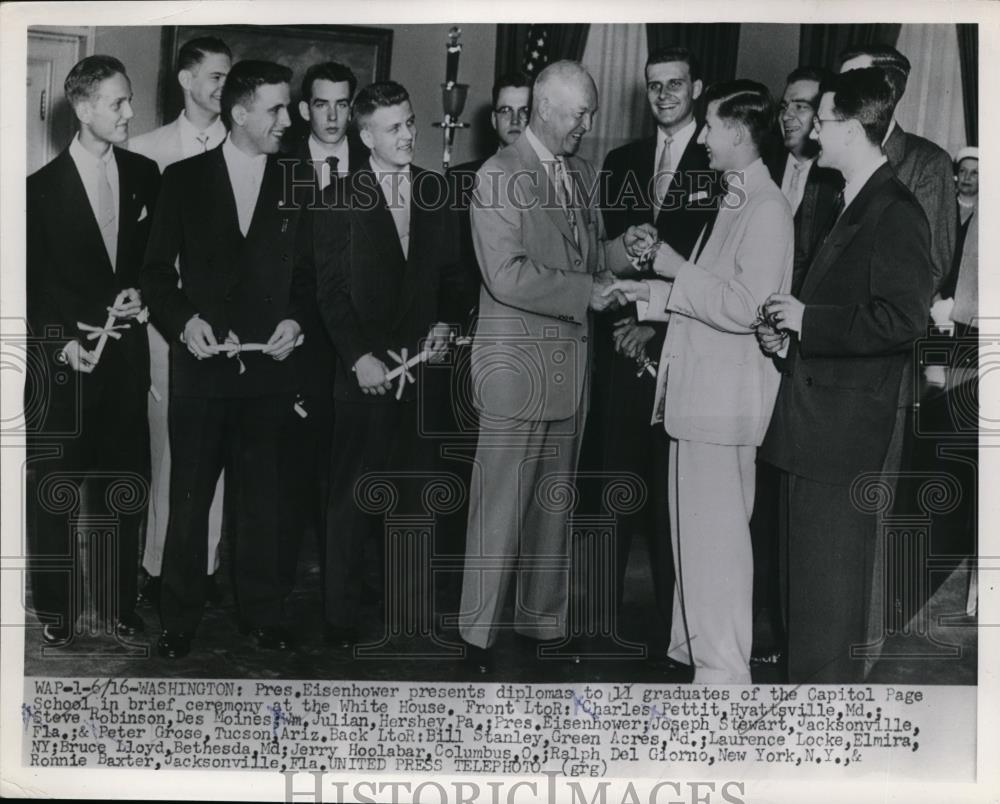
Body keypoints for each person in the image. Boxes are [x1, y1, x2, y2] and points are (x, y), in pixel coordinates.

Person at [457, 60, 654, 672]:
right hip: (516, 372)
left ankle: (541, 624)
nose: (587, 125)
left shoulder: (580, 173)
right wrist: (583, 293)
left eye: (589, 114)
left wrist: (627, 248)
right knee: (498, 512)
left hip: (569, 373)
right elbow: (505, 273)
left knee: (553, 505)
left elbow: (590, 253)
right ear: (545, 107)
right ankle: (478, 637)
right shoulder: (498, 175)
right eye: (579, 113)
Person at [608, 80, 794, 684]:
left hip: (722, 407)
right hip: (700, 401)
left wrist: (668, 266)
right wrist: (645, 296)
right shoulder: (737, 198)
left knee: (716, 546)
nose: (704, 138)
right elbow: (708, 296)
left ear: (739, 133)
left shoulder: (765, 208)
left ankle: (723, 676)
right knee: (694, 541)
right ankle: (697, 655)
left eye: (711, 128)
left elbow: (744, 307)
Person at [757, 67, 934, 683]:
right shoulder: (847, 198)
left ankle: (817, 742)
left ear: (856, 128)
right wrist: (790, 335)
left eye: (824, 120)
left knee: (826, 609)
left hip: (839, 438)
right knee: (802, 596)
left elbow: (903, 319)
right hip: (811, 430)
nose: (811, 132)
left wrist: (811, 322)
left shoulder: (895, 210)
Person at [141, 60, 312, 659]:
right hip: (203, 370)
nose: (287, 121)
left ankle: (262, 613)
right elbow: (156, 274)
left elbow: (314, 278)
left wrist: (296, 319)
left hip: (270, 374)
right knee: (187, 504)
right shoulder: (184, 179)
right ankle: (178, 619)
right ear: (239, 114)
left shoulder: (300, 179)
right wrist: (185, 323)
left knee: (263, 502)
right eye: (276, 110)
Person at [313, 80, 468, 649]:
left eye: (409, 123)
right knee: (352, 497)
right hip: (364, 375)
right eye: (393, 127)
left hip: (422, 368)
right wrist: (358, 359)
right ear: (365, 135)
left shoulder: (436, 189)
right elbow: (329, 292)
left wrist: (449, 320)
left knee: (415, 491)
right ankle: (341, 616)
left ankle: (408, 608)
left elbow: (454, 274)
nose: (406, 135)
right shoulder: (336, 197)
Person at [26, 55, 160, 644]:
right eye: (117, 103)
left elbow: (155, 265)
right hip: (66, 369)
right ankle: (55, 608)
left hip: (127, 361)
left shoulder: (147, 173)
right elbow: (29, 289)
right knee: (56, 492)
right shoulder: (37, 192)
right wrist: (62, 349)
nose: (130, 112)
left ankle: (119, 603)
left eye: (129, 100)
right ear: (82, 110)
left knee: (125, 489)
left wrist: (144, 295)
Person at [587, 45, 719, 642]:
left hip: (681, 346)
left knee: (673, 500)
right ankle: (598, 623)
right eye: (653, 85)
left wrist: (656, 324)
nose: (663, 94)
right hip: (618, 344)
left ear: (697, 88)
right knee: (614, 483)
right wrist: (624, 318)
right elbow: (603, 251)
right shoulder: (621, 160)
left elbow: (714, 268)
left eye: (675, 83)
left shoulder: (719, 160)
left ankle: (675, 631)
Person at [127, 36, 232, 609]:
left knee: (219, 451)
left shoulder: (246, 148)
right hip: (167, 326)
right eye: (214, 77)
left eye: (227, 77)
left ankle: (207, 563)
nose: (223, 87)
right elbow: (139, 253)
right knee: (167, 449)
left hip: (229, 333)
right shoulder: (148, 151)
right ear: (187, 81)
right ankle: (158, 563)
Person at [276, 62, 368, 597]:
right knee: (295, 465)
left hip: (356, 342)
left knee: (351, 470)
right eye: (321, 104)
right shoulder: (281, 165)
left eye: (341, 104)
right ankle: (281, 586)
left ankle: (346, 585)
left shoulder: (374, 163)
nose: (332, 116)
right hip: (302, 337)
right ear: (304, 109)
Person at [838, 44, 954, 294]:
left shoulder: (929, 163)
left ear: (887, 93)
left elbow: (932, 270)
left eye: (851, 81)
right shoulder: (830, 158)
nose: (837, 93)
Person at [766, 66, 843, 291]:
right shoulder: (763, 167)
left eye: (800, 106)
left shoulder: (837, 181)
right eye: (784, 107)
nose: (786, 116)